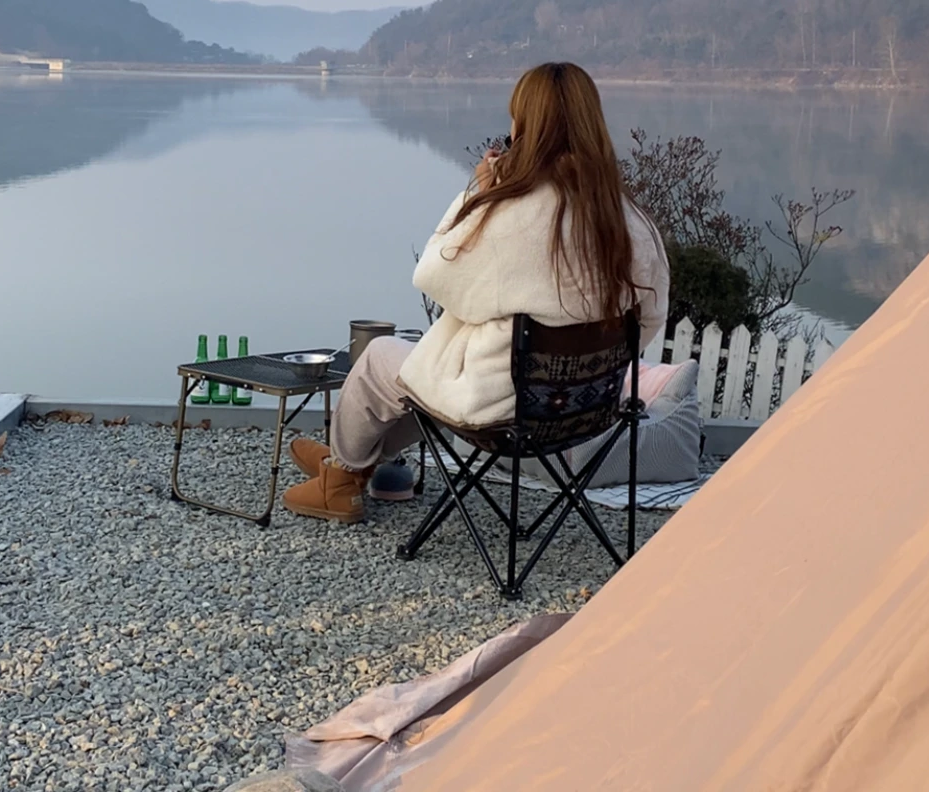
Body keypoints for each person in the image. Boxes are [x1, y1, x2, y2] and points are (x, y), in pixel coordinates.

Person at [283, 62, 670, 523]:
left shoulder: (515, 214)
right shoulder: (629, 218)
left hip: (500, 407)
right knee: (417, 375)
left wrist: (481, 197)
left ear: (526, 128)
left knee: (380, 359)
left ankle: (342, 477)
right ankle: (349, 463)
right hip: (589, 408)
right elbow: (649, 319)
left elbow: (434, 274)